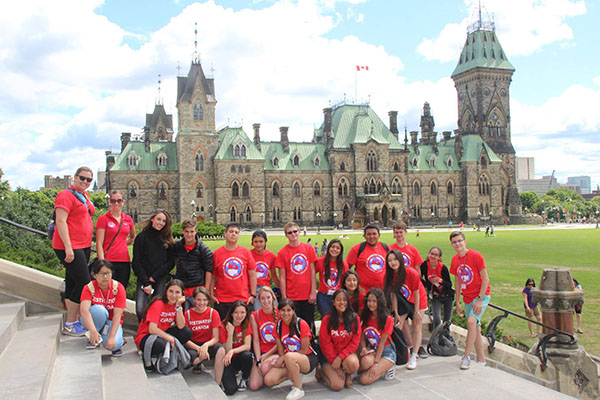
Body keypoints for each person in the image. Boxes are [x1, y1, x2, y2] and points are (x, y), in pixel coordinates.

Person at [53, 166, 96, 336]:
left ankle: (73, 321)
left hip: (83, 245)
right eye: (82, 178)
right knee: (84, 282)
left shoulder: (84, 195)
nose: (85, 182)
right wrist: (68, 247)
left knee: (72, 281)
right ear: (75, 177)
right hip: (70, 246)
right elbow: (61, 221)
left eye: (88, 180)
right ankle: (71, 322)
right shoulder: (65, 195)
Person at [449, 231, 491, 370]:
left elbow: (485, 278)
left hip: (481, 295)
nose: (458, 244)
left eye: (460, 241)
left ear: (465, 241)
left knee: (471, 322)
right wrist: (458, 301)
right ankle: (481, 360)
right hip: (467, 296)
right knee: (476, 327)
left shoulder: (476, 256)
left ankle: (466, 356)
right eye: (454, 242)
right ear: (452, 244)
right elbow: (458, 281)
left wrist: (480, 299)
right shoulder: (455, 260)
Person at [264, 299, 318, 400]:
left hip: (307, 358)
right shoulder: (278, 327)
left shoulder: (301, 324)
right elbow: (281, 351)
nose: (286, 313)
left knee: (289, 356)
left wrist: (284, 357)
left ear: (293, 311)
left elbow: (305, 350)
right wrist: (281, 358)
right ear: (279, 311)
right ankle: (296, 373)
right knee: (269, 380)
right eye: (283, 310)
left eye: (289, 310)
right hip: (290, 360)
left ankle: (298, 388)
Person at [389, 222, 428, 359]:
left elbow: (417, 272)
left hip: (414, 290)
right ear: (393, 233)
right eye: (396, 232)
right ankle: (410, 346)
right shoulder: (390, 249)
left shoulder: (413, 250)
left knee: (417, 322)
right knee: (401, 321)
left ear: (406, 232)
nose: (399, 235)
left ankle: (416, 349)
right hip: (400, 292)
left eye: (401, 232)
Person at [134, 279, 191, 371]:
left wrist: (178, 307)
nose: (173, 295)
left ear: (182, 294)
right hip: (146, 336)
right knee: (161, 344)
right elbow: (152, 329)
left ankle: (168, 354)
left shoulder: (177, 305)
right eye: (171, 291)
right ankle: (149, 358)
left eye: (177, 292)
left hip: (160, 334)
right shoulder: (158, 303)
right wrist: (170, 339)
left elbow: (181, 326)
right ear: (166, 291)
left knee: (186, 332)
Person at [132, 209, 176, 321]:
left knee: (157, 309)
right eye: (159, 219)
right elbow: (136, 261)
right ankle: (143, 332)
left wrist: (155, 276)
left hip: (159, 278)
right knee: (140, 309)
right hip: (144, 278)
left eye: (164, 221)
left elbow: (170, 262)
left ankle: (154, 333)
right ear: (152, 219)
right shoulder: (141, 237)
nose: (161, 223)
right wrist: (146, 281)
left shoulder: (167, 240)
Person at [384, 249, 422, 370]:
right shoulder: (390, 275)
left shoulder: (411, 272)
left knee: (417, 326)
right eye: (390, 260)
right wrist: (395, 310)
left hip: (418, 301)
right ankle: (400, 353)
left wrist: (416, 312)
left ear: (400, 259)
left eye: (395, 259)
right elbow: (393, 294)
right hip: (404, 301)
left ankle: (414, 356)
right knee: (397, 326)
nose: (393, 262)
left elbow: (417, 293)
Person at [315, 289, 360, 391]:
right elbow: (325, 343)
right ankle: (321, 370)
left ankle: (347, 374)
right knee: (337, 386)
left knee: (353, 364)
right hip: (329, 356)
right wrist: (334, 361)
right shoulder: (327, 319)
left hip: (344, 355)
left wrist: (340, 358)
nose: (342, 303)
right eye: (338, 300)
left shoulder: (354, 318)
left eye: (344, 300)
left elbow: (355, 341)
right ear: (333, 302)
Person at [210, 223, 257, 320]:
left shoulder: (245, 252)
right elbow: (213, 276)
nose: (233, 234)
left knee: (243, 331)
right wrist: (211, 294)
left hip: (242, 298)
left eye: (236, 232)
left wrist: (253, 295)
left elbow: (252, 274)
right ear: (225, 234)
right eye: (231, 231)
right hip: (222, 299)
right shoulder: (217, 253)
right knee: (224, 330)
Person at [79, 260, 126, 356]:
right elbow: (84, 311)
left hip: (111, 321)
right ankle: (93, 336)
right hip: (94, 319)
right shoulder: (89, 288)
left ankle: (117, 340)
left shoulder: (118, 288)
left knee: (114, 344)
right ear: (95, 275)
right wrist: (92, 331)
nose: (105, 277)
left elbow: (118, 315)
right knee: (99, 310)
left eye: (107, 273)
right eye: (101, 274)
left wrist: (112, 337)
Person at [276, 222, 317, 329]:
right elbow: (282, 277)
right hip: (291, 296)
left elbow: (313, 272)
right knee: (293, 327)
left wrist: (313, 292)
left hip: (307, 296)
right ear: (286, 235)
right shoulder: (282, 253)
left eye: (295, 231)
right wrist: (284, 297)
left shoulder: (308, 249)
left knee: (308, 326)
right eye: (290, 233)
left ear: (299, 232)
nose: (293, 234)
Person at [95, 190, 136, 288]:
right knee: (106, 289)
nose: (116, 203)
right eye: (113, 201)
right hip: (108, 260)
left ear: (123, 202)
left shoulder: (128, 219)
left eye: (119, 201)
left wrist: (122, 244)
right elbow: (99, 242)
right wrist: (102, 261)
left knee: (121, 289)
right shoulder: (103, 219)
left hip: (124, 260)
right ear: (109, 202)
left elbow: (132, 237)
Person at [184, 287, 225, 378]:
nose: (201, 303)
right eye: (198, 300)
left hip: (208, 344)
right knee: (192, 357)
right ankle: (197, 363)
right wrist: (199, 349)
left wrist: (206, 345)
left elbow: (216, 337)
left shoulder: (213, 313)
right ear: (194, 300)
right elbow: (185, 339)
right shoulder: (188, 314)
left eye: (204, 300)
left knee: (221, 349)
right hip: (193, 345)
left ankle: (218, 380)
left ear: (208, 301)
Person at [358, 288, 396, 384]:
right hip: (372, 349)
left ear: (380, 302)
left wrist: (376, 363)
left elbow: (382, 344)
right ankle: (378, 368)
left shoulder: (387, 319)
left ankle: (388, 366)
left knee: (364, 380)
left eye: (374, 301)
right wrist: (363, 348)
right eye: (369, 301)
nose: (371, 304)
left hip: (386, 352)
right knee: (365, 363)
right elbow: (362, 335)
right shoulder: (367, 316)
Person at [174, 219, 213, 310]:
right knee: (181, 317)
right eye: (186, 231)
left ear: (196, 231)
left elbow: (209, 270)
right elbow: (175, 260)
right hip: (181, 288)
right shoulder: (177, 246)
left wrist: (206, 291)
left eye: (192, 231)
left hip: (197, 288)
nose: (189, 234)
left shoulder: (203, 249)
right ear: (182, 231)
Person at [249, 286, 279, 391]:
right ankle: (268, 371)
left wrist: (266, 356)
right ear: (259, 300)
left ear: (273, 298)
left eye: (268, 298)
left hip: (276, 351)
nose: (266, 301)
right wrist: (258, 359)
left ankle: (279, 370)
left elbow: (280, 342)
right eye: (263, 298)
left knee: (265, 368)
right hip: (262, 353)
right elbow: (256, 340)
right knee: (254, 386)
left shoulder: (280, 313)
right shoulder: (255, 315)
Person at [219, 301, 253, 395]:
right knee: (230, 390)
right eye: (236, 312)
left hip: (240, 358)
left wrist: (233, 351)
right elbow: (227, 350)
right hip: (228, 360)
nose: (239, 315)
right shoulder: (223, 325)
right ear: (231, 314)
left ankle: (245, 378)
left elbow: (247, 346)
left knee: (247, 355)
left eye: (242, 313)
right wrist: (230, 333)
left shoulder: (246, 324)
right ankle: (229, 376)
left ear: (246, 314)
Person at [346, 224, 389, 291]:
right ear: (364, 236)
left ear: (379, 235)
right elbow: (346, 269)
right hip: (362, 292)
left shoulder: (386, 248)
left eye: (374, 234)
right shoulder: (357, 249)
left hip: (383, 292)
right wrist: (355, 285)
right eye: (368, 234)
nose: (371, 237)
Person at [315, 239, 349, 317]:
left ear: (341, 251)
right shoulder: (320, 261)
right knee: (326, 318)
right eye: (332, 247)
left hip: (338, 296)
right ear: (328, 248)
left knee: (337, 318)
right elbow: (311, 273)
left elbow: (346, 280)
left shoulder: (343, 264)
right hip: (323, 296)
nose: (334, 250)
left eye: (337, 248)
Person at [251, 230, 279, 312]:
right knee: (258, 312)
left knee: (275, 311)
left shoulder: (271, 256)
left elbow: (273, 275)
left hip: (266, 287)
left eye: (261, 241)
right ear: (252, 243)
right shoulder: (248, 254)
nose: (258, 244)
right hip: (254, 288)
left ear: (265, 242)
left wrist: (281, 287)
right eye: (255, 242)